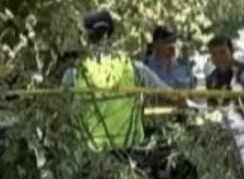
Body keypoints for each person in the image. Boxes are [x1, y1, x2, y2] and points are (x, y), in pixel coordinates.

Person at [63, 10, 169, 152]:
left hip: (90, 154)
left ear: (86, 39)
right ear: (113, 37)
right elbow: (171, 95)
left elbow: (63, 113)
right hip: (130, 150)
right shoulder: (135, 68)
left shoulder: (73, 75)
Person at [205, 33, 244, 179]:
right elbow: (212, 108)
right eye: (214, 54)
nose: (219, 57)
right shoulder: (211, 79)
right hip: (224, 135)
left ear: (231, 51)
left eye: (222, 52)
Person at [143, 25, 196, 90]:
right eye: (167, 42)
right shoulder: (145, 68)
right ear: (156, 44)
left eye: (174, 41)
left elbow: (192, 91)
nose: (172, 46)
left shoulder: (184, 67)